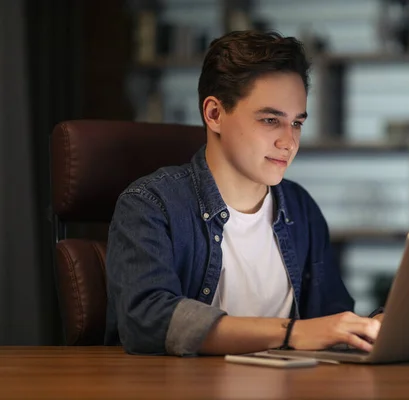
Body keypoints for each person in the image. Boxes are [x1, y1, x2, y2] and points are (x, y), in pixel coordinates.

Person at [104, 30, 383, 356]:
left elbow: (329, 320)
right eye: (270, 120)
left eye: (296, 124)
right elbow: (148, 320)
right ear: (214, 114)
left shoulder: (300, 208)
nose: (288, 142)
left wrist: (374, 327)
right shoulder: (150, 205)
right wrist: (292, 332)